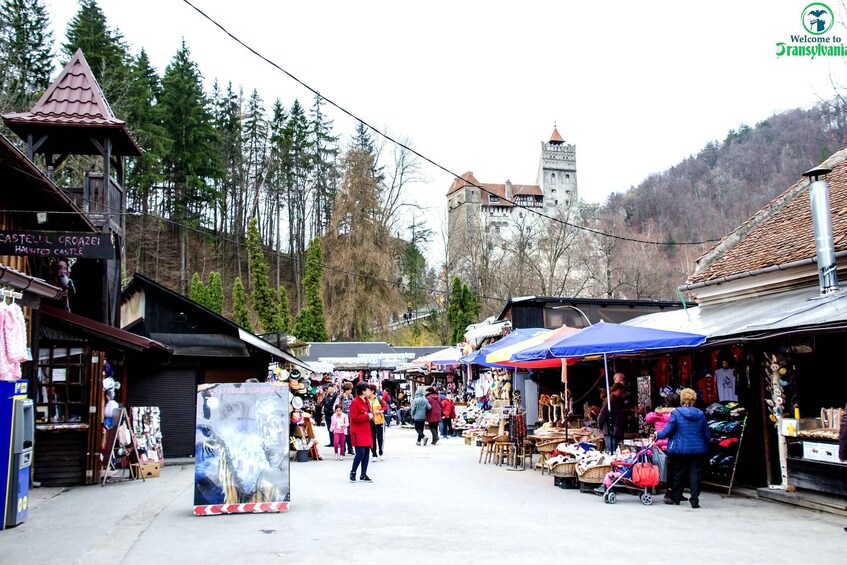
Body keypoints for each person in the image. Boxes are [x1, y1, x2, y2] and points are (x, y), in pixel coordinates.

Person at [657, 387, 710, 508]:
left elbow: (667, 431)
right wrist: (705, 446)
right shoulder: (700, 414)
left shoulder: (677, 413)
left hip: (680, 449)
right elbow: (706, 433)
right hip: (697, 449)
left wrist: (657, 435)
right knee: (695, 474)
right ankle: (695, 500)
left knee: (678, 473)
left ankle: (676, 498)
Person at [647, 392, 684, 502]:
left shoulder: (659, 414)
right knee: (675, 470)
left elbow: (648, 417)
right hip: (672, 444)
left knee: (664, 470)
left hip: (659, 445)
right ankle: (672, 492)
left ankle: (669, 491)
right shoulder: (677, 415)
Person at [348, 382, 374, 483]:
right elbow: (354, 418)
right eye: (367, 389)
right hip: (358, 430)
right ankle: (353, 472)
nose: (369, 391)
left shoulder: (367, 401)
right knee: (361, 452)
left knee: (367, 452)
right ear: (363, 391)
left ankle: (363, 474)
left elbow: (369, 413)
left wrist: (370, 416)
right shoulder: (355, 402)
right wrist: (367, 416)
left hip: (367, 429)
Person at [598, 383, 625, 453]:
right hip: (610, 430)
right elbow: (602, 415)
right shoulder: (610, 401)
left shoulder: (616, 400)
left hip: (614, 431)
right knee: (610, 451)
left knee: (614, 450)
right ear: (618, 390)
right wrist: (601, 426)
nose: (622, 393)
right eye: (621, 391)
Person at [335, 382, 355, 455]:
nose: (351, 391)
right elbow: (335, 406)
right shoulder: (340, 397)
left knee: (349, 433)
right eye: (350, 389)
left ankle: (350, 449)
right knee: (343, 433)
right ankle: (343, 449)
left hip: (350, 416)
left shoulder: (351, 396)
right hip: (343, 417)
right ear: (346, 389)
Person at [370, 385, 387, 461]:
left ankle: (381, 452)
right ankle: (374, 454)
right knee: (372, 438)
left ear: (372, 391)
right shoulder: (366, 400)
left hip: (379, 421)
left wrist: (380, 411)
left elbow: (385, 407)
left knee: (380, 438)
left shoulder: (379, 398)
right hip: (370, 421)